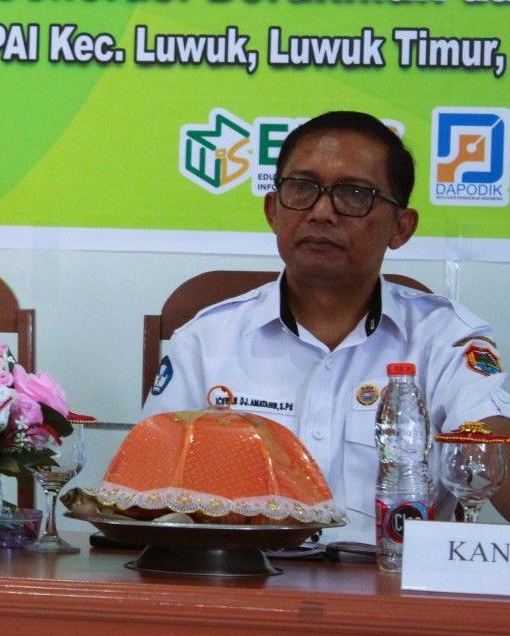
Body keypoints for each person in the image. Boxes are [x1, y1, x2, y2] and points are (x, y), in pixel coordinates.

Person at [143, 111, 510, 543]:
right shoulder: (205, 341)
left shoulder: (445, 339)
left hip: (393, 579)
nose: (321, 212)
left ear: (401, 227)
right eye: (302, 188)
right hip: (239, 576)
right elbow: (147, 495)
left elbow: (493, 454)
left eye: (354, 194)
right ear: (272, 211)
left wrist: (491, 452)